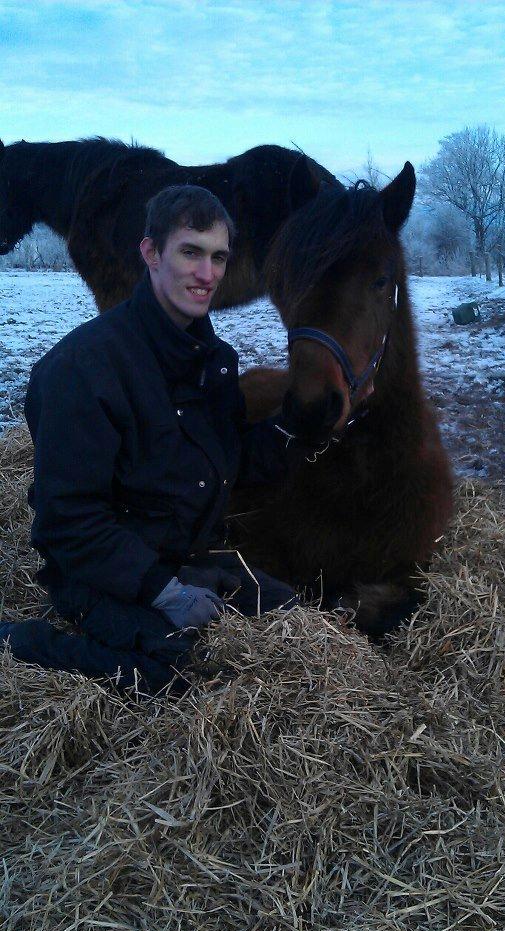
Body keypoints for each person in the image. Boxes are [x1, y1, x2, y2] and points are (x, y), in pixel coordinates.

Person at [0, 185, 297, 692]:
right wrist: (162, 591)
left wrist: (301, 425)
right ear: (151, 252)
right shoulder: (84, 370)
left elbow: (229, 462)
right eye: (191, 252)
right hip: (97, 576)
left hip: (184, 559)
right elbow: (68, 522)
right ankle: (19, 642)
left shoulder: (212, 360)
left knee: (291, 621)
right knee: (175, 674)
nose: (208, 275)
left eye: (218, 257)